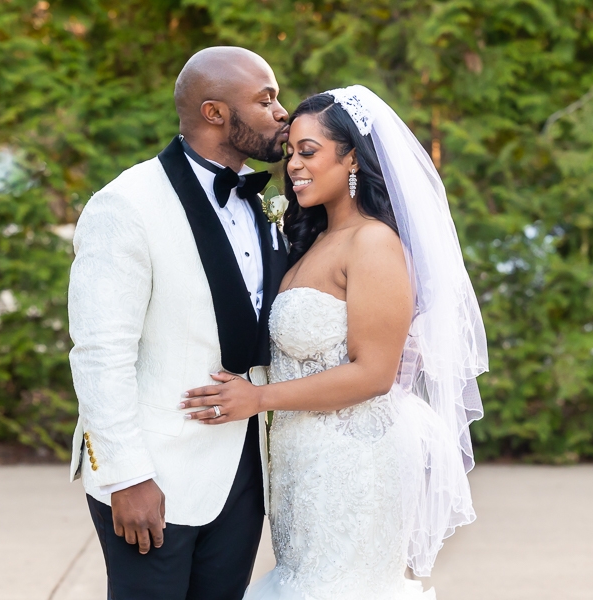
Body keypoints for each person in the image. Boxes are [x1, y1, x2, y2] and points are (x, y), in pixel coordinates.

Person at [179, 86, 489, 599]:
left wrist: (258, 399)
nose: (293, 166)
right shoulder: (314, 240)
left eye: (308, 152)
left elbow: (374, 373)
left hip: (357, 464)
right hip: (303, 462)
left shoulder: (374, 243)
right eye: (290, 153)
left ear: (351, 158)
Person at [67, 47, 290, 600]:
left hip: (245, 472)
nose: (282, 111)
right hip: (154, 474)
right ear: (215, 113)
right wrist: (126, 476)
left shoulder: (269, 204)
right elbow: (99, 351)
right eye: (266, 100)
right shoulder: (126, 205)